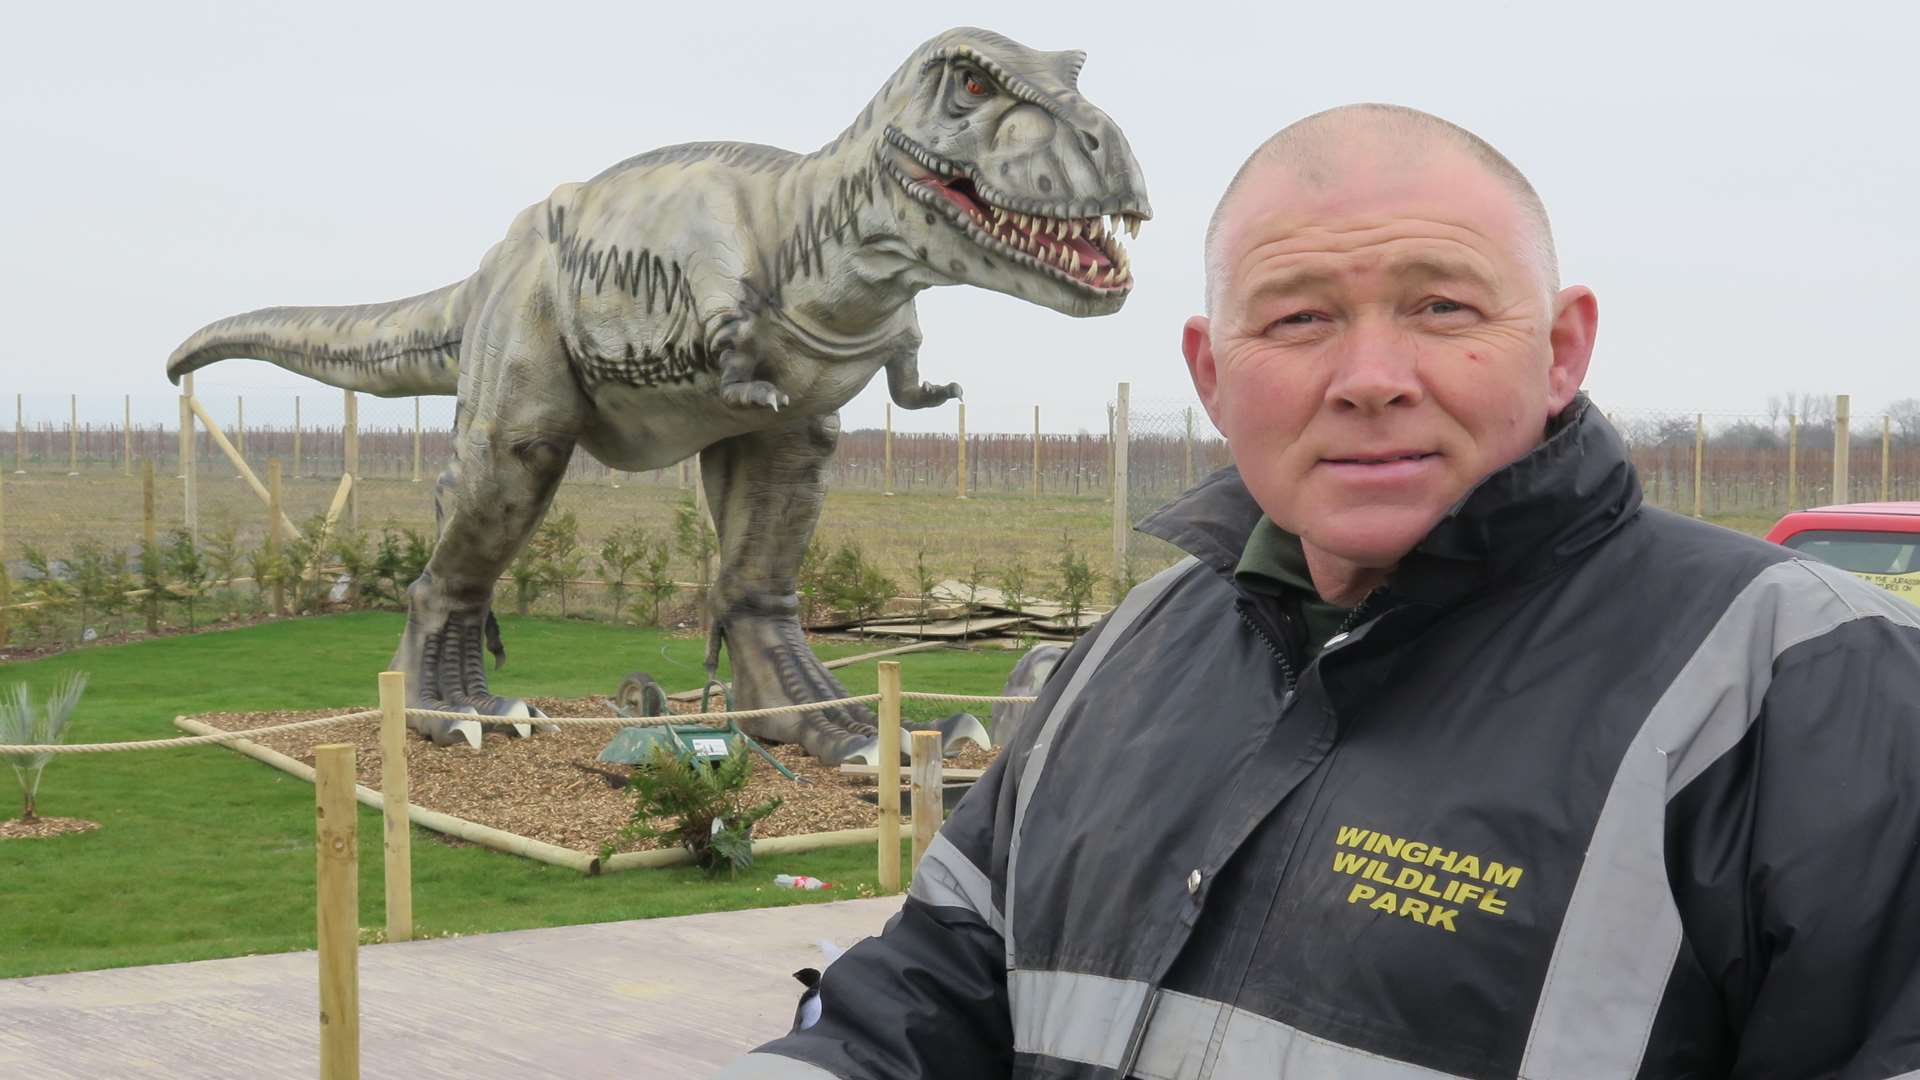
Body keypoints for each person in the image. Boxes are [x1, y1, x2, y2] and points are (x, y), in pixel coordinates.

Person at [716, 104, 1920, 1079]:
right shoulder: (1134, 648)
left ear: (1560, 349)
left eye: (1441, 307)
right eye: (1299, 320)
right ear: (1211, 373)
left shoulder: (1803, 684)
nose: (1371, 377)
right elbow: (932, 997)